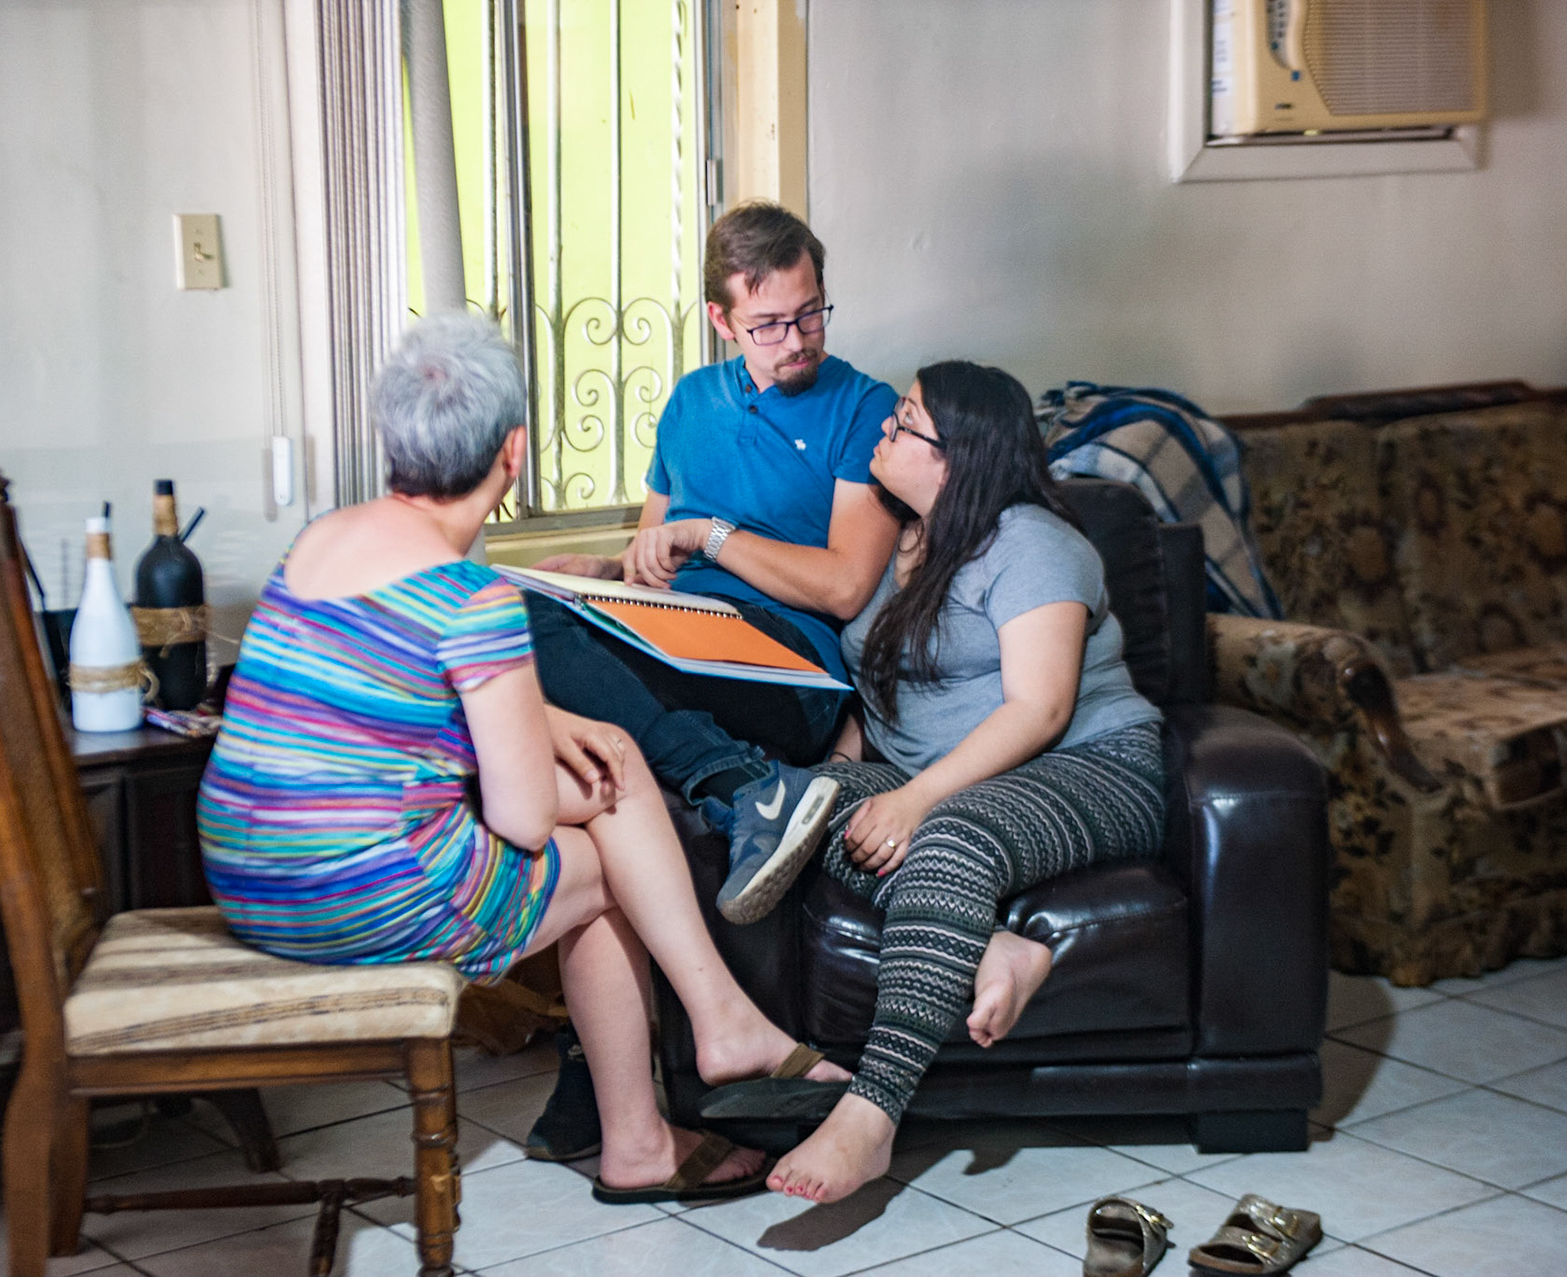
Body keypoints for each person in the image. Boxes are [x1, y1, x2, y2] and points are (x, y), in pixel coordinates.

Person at [196, 313, 846, 1204]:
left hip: (247, 879)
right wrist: (568, 758)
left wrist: (540, 716)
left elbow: (384, 688)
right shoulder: (473, 597)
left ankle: (705, 1048)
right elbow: (522, 820)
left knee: (610, 767)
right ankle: (673, 1093)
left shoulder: (319, 539)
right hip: (350, 897)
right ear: (514, 451)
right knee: (613, 837)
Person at [704, 361, 1168, 1203]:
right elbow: (881, 692)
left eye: (905, 422)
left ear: (957, 456)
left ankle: (871, 1113)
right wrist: (838, 777)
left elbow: (1041, 707)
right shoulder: (898, 541)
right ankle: (990, 944)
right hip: (942, 777)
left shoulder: (1030, 542)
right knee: (796, 804)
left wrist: (916, 799)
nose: (883, 429)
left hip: (1090, 765)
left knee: (947, 835)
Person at [528, 201, 900, 923]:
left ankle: (744, 784)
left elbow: (847, 586)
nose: (797, 340)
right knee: (509, 613)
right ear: (721, 321)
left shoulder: (864, 408)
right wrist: (604, 571)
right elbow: (651, 558)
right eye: (768, 325)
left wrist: (711, 535)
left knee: (579, 678)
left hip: (790, 666)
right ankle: (740, 783)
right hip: (680, 627)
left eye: (811, 314)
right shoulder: (691, 401)